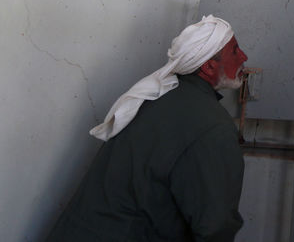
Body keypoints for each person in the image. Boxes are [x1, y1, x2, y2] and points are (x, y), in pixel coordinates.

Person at [46, 15, 249, 242]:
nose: (244, 57)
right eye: (235, 51)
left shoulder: (156, 97)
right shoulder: (213, 126)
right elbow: (215, 226)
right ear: (209, 66)